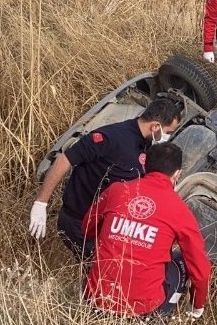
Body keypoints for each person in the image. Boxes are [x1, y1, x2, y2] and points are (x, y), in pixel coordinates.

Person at [29, 93, 186, 261]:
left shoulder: (146, 145)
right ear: (155, 126)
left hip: (108, 225)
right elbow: (64, 160)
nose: (167, 137)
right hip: (80, 222)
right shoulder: (111, 138)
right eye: (167, 132)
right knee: (106, 272)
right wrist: (41, 203)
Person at [82, 142, 211, 321]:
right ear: (178, 174)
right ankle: (160, 321)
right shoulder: (179, 210)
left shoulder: (117, 190)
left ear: (144, 164)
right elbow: (201, 270)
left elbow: (87, 227)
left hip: (96, 297)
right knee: (181, 263)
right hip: (142, 308)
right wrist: (197, 306)